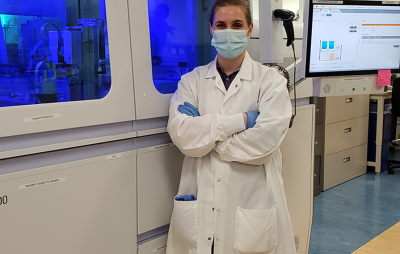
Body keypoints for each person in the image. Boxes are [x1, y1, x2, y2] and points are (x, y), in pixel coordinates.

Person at [166, 0, 297, 253]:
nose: (229, 31)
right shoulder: (191, 82)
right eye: (221, 24)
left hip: (251, 205)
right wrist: (243, 121)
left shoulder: (271, 82)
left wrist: (207, 138)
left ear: (249, 29)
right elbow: (182, 135)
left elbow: (264, 144)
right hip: (200, 208)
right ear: (211, 29)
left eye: (237, 25)